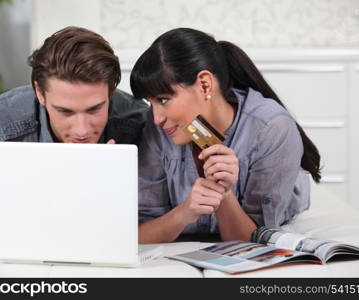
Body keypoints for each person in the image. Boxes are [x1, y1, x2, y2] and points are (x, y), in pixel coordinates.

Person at [130, 28, 321, 244]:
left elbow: (254, 241)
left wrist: (224, 194)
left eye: (163, 100)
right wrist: (184, 213)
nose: (156, 118)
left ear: (204, 85)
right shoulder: (160, 129)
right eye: (150, 103)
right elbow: (140, 232)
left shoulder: (272, 127)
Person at [0, 26, 149, 236]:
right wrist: (96, 187)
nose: (82, 130)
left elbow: (130, 226)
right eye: (65, 111)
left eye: (95, 109)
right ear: (40, 92)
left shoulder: (138, 121)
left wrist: (22, 190)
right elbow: (13, 232)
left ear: (111, 91)